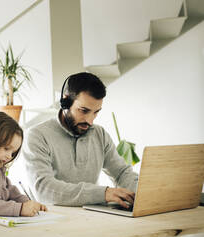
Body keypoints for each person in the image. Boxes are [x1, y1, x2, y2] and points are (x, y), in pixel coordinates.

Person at [23, 72, 138, 209]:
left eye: (96, 112)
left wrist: (142, 193)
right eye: (83, 111)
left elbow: (122, 173)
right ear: (66, 102)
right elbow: (44, 189)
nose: (90, 121)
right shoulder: (37, 135)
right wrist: (103, 193)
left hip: (90, 219)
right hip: (51, 220)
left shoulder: (99, 134)